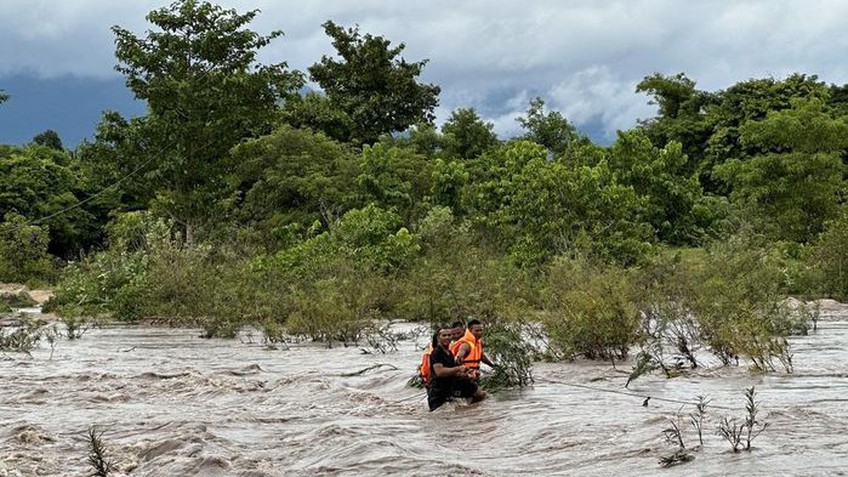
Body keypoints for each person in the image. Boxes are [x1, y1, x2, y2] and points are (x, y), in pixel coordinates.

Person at [428, 325, 486, 411]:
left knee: (480, 394)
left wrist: (467, 373)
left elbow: (454, 372)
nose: (447, 337)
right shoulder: (436, 353)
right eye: (444, 335)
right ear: (438, 338)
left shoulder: (450, 353)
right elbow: (439, 372)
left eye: (449, 335)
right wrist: (458, 368)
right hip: (438, 392)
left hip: (450, 389)